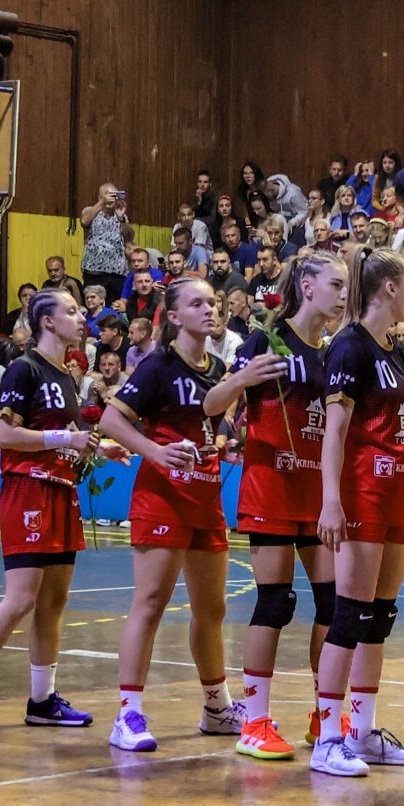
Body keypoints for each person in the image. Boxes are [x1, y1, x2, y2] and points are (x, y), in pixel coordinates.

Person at [99, 275, 261, 753]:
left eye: (212, 302)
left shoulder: (220, 369)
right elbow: (110, 419)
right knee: (150, 602)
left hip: (205, 496)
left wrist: (225, 444)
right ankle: (127, 713)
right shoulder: (158, 366)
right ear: (173, 316)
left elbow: (211, 424)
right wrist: (154, 451)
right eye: (197, 304)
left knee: (212, 609)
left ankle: (217, 707)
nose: (209, 309)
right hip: (163, 497)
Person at [0, 288, 112, 734]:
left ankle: (42, 700)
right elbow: (6, 436)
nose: (81, 318)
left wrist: (99, 449)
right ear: (47, 322)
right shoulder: (24, 368)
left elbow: (63, 436)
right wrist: (67, 439)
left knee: (53, 602)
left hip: (61, 490)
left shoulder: (66, 375)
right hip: (28, 490)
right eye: (71, 311)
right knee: (20, 598)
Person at [222, 251, 347, 759]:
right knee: (276, 602)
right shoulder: (266, 339)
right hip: (271, 489)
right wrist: (239, 386)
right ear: (308, 286)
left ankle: (325, 714)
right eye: (336, 284)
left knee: (334, 605)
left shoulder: (331, 352)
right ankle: (254, 721)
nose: (344, 294)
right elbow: (216, 404)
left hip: (316, 494)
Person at [310, 251, 404, 776]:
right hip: (362, 496)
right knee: (349, 616)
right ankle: (327, 739)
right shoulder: (349, 345)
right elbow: (334, 432)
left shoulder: (392, 350)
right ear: (389, 289)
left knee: (379, 618)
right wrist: (331, 501)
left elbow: (402, 439)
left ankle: (362, 733)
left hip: (397, 497)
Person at [78, 180, 133, 299]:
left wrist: (121, 219)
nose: (111, 199)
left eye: (113, 195)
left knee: (114, 305)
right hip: (94, 271)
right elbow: (84, 221)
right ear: (99, 197)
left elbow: (129, 237)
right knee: (93, 303)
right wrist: (102, 202)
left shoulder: (120, 215)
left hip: (117, 273)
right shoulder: (90, 210)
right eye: (107, 195)